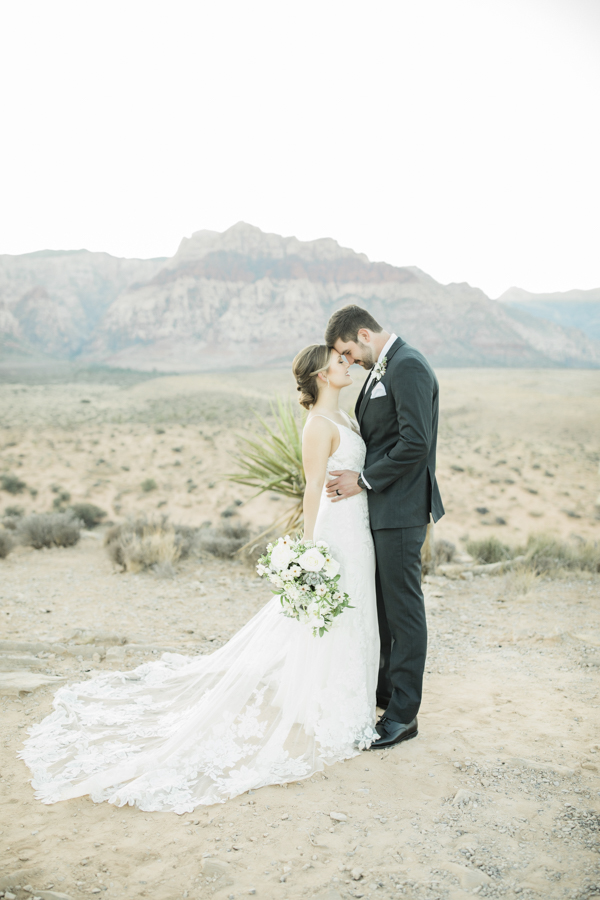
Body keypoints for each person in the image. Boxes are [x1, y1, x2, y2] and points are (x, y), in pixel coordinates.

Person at [19, 345, 379, 813]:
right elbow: (312, 487)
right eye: (339, 362)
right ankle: (325, 705)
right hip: (333, 531)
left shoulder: (347, 420)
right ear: (321, 375)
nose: (347, 364)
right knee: (326, 613)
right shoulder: (318, 426)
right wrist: (309, 550)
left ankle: (342, 695)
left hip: (358, 531)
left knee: (350, 611)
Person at [324, 304, 445, 749]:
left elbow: (416, 442)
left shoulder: (408, 366)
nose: (349, 361)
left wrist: (364, 479)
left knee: (404, 611)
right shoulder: (385, 368)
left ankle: (403, 716)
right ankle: (386, 692)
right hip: (382, 510)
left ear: (363, 334)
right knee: (383, 608)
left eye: (348, 351)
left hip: (400, 509)